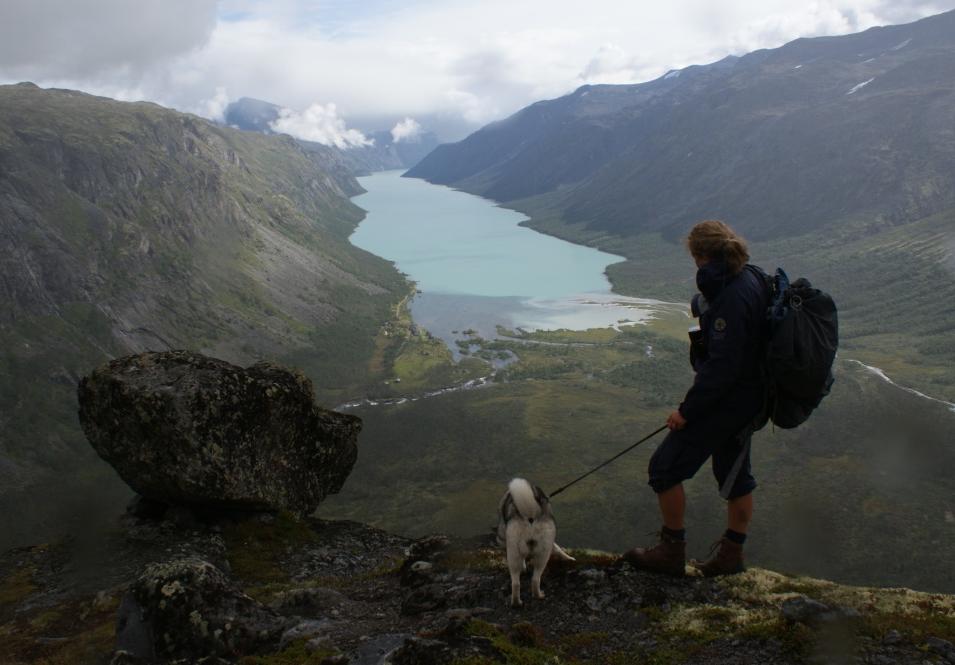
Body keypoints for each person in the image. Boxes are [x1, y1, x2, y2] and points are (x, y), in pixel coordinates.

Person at [623, 220, 770, 577]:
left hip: (727, 403)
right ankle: (731, 557)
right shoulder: (750, 277)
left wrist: (686, 412)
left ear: (700, 254)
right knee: (736, 477)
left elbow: (721, 368)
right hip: (751, 399)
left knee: (664, 469)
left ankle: (671, 553)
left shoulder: (731, 294)